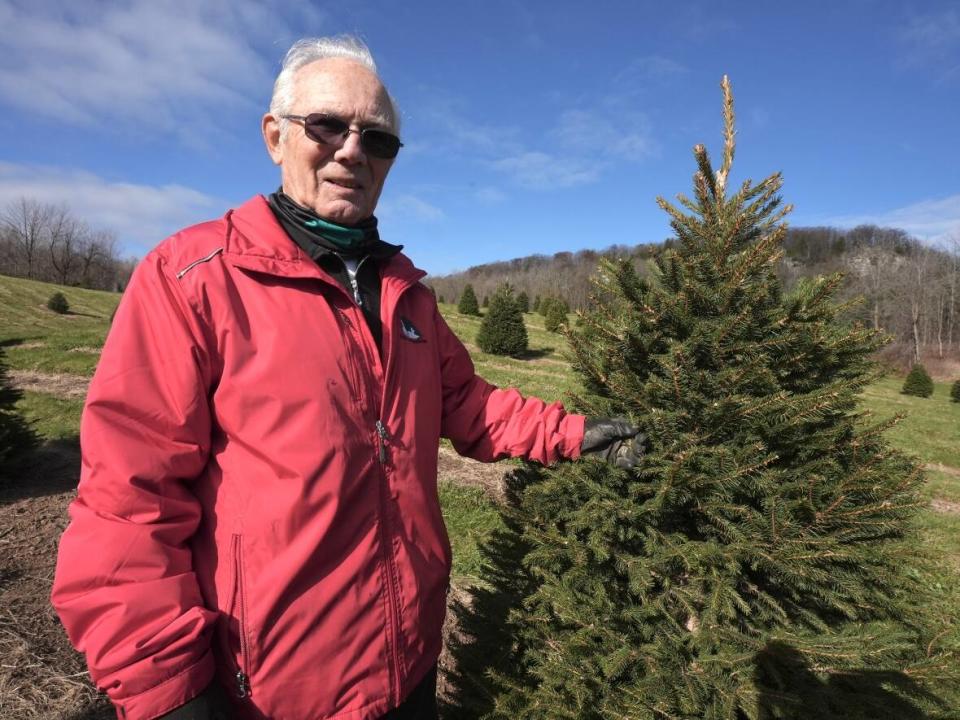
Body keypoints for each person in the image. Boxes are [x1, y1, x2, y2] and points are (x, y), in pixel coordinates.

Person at [51, 36, 644, 720]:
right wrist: (167, 693)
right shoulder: (194, 277)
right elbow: (128, 499)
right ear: (276, 137)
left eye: (378, 139)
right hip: (269, 693)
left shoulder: (407, 295)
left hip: (408, 661)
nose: (352, 151)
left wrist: (577, 435)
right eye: (328, 125)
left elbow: (468, 404)